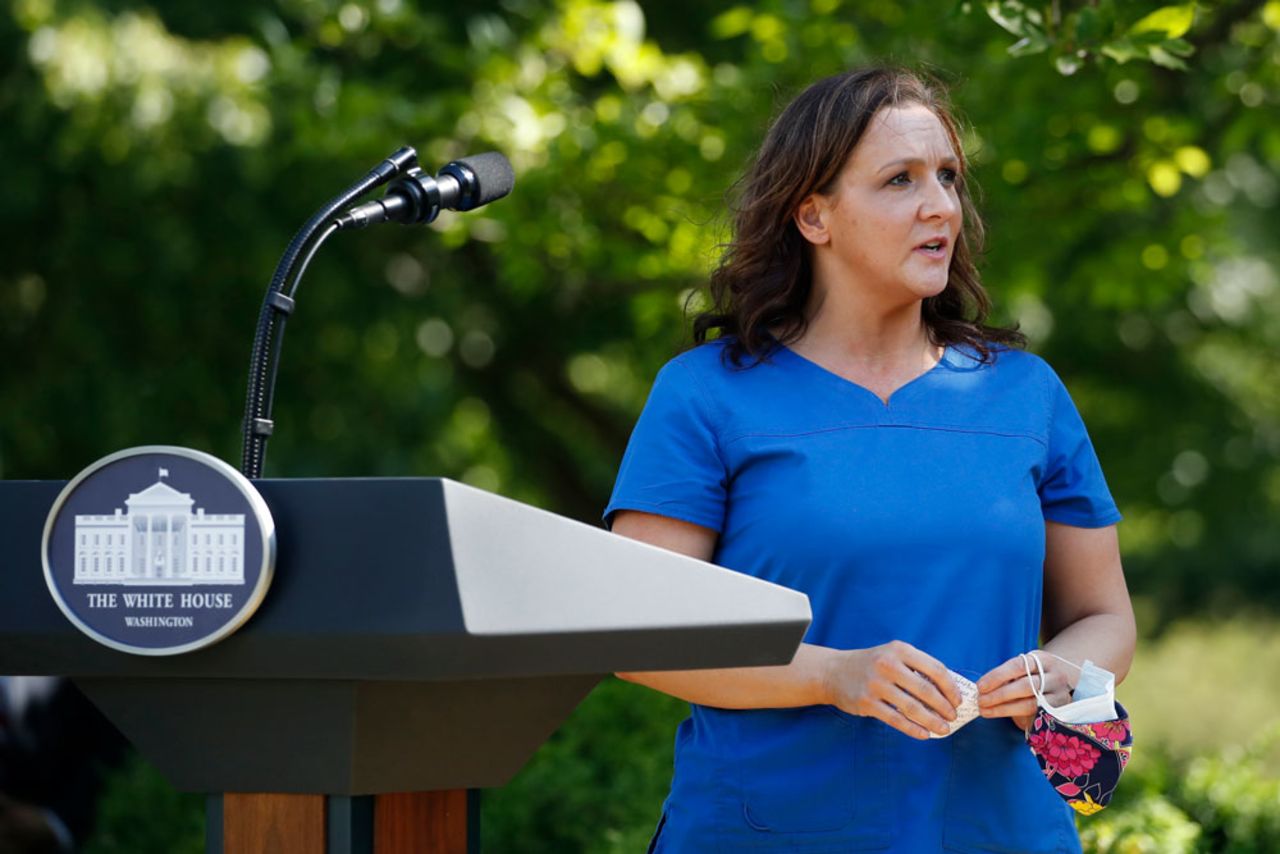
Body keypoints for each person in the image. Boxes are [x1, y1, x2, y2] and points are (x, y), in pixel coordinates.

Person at [604, 66, 1136, 852]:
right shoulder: (704, 396)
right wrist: (834, 675)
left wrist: (1059, 674)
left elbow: (1104, 617)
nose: (941, 206)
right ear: (813, 215)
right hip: (766, 832)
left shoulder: (1029, 395)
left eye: (948, 178)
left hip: (1001, 832)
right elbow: (637, 635)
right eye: (900, 180)